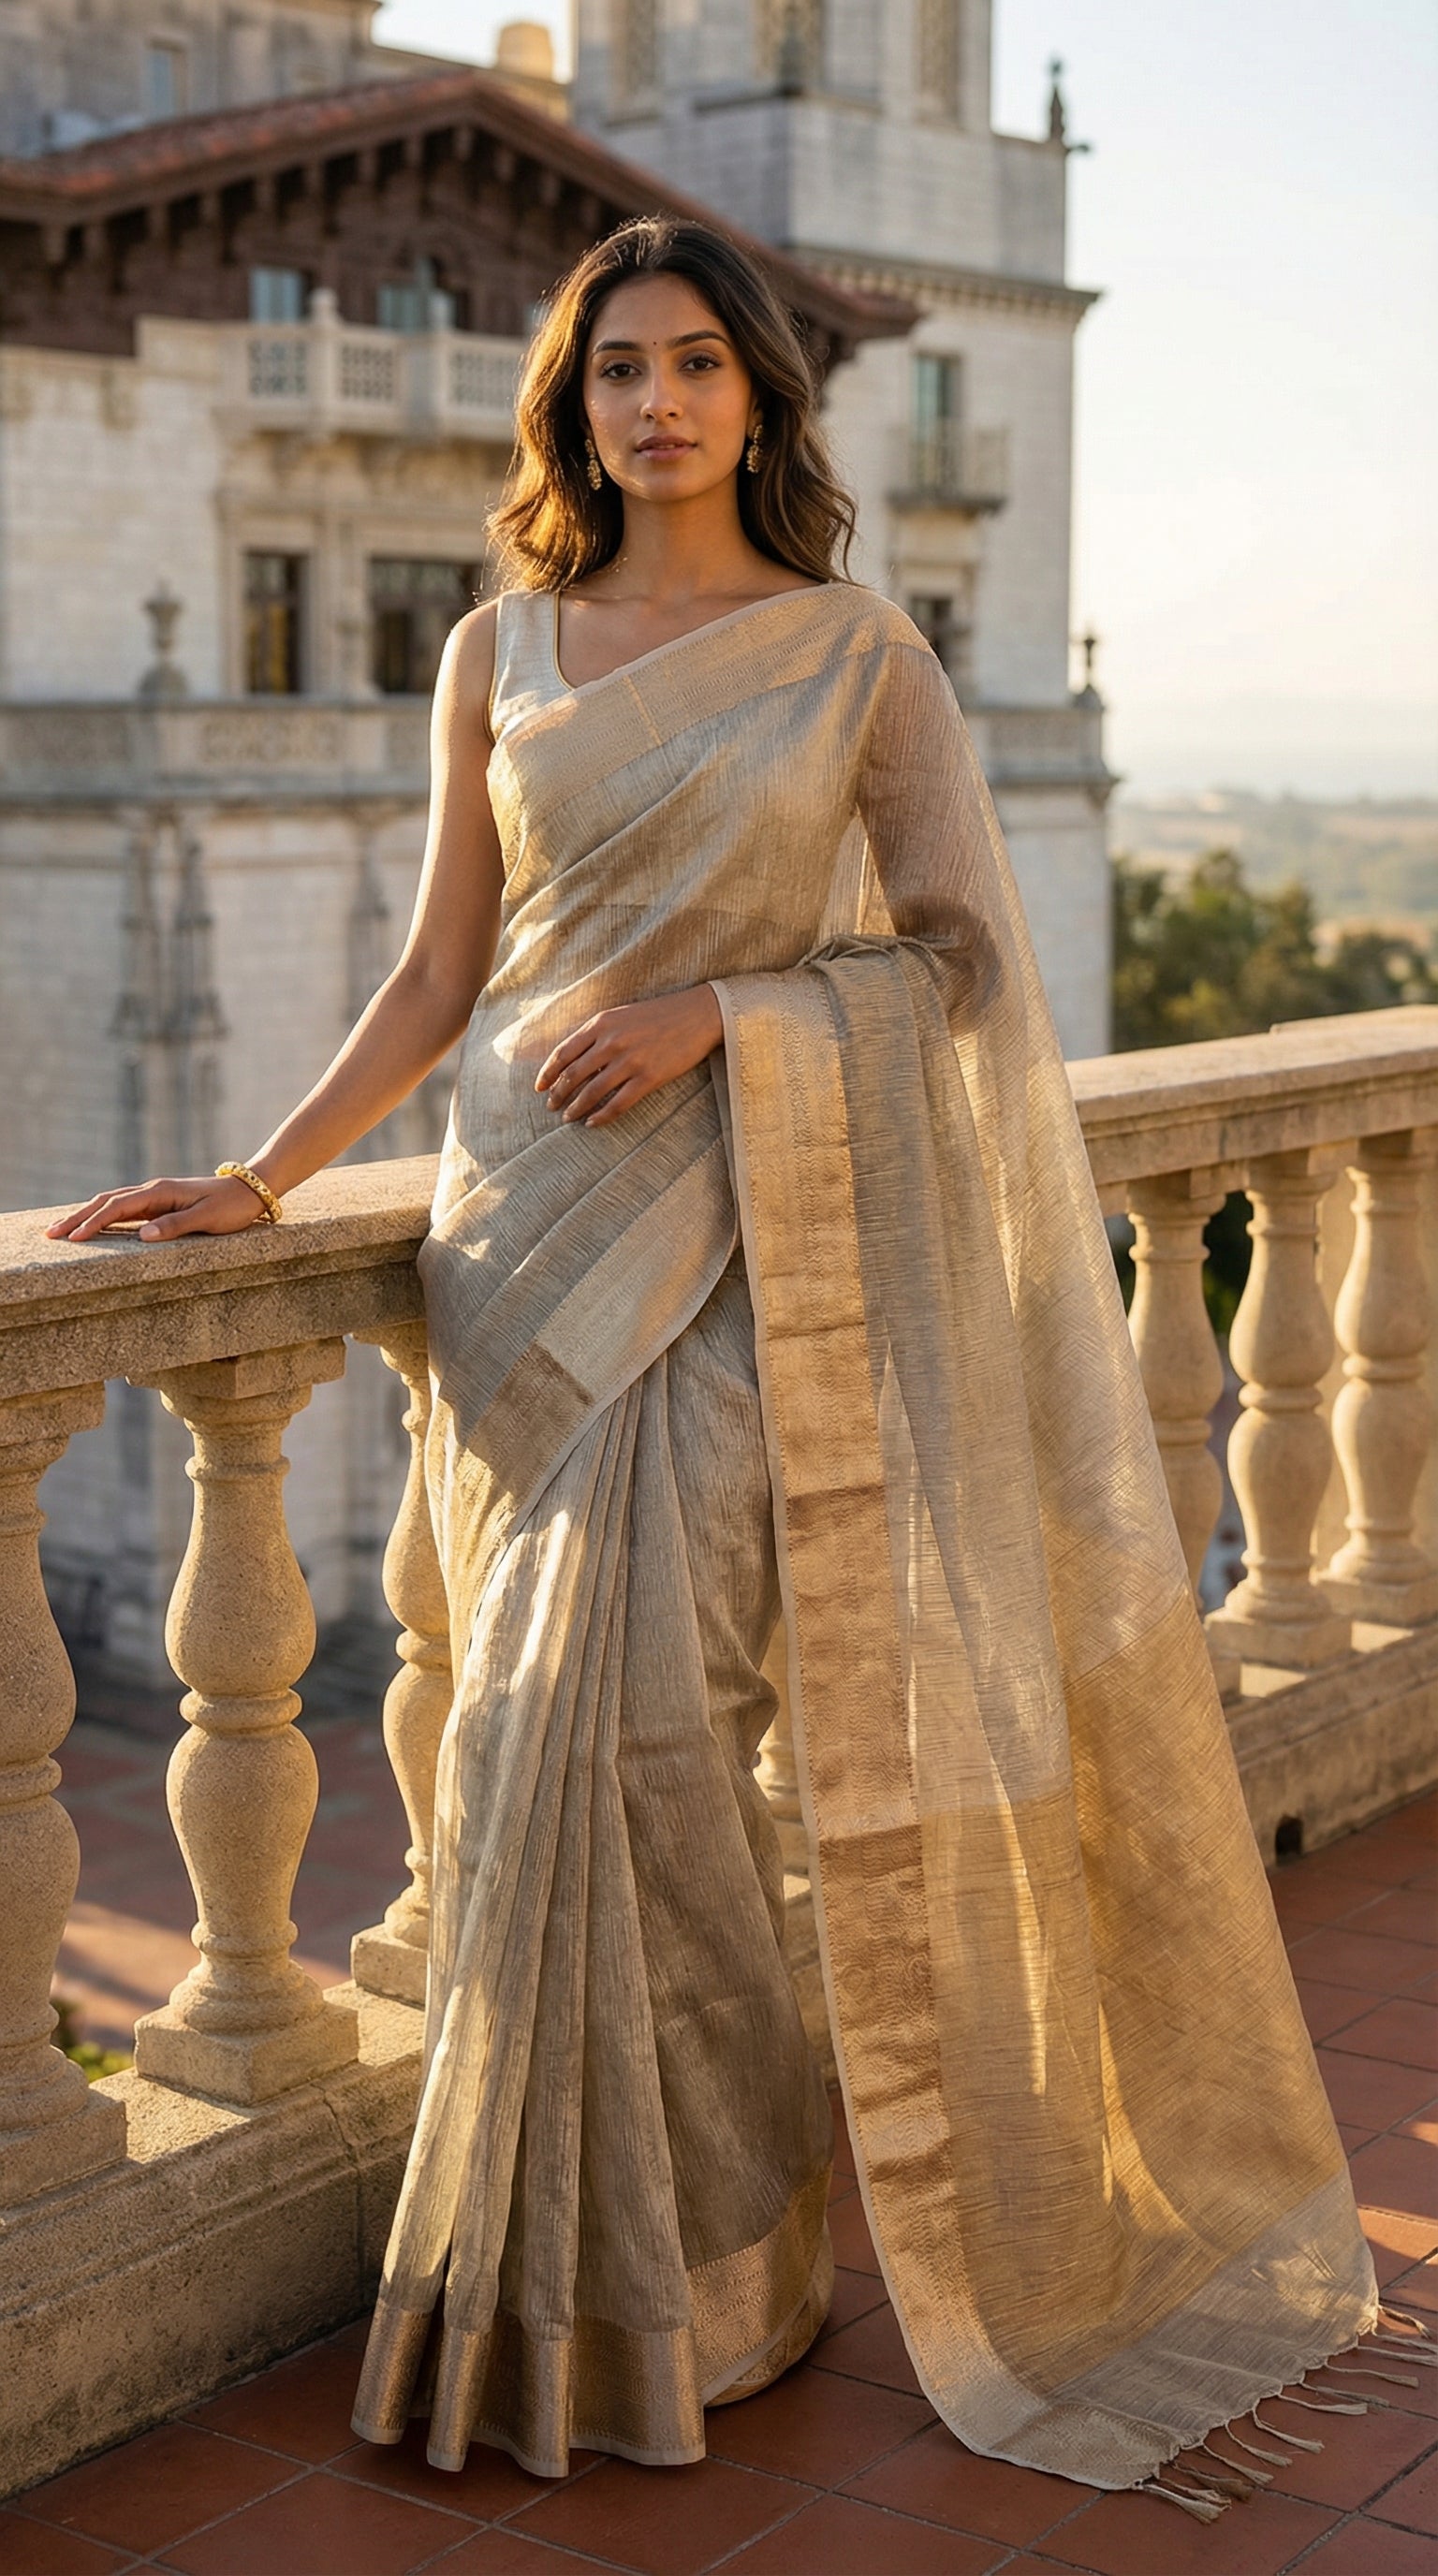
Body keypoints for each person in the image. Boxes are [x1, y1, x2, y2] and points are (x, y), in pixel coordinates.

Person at [51, 216, 1415, 2521]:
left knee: (650, 1733)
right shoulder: (500, 646)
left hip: (734, 1252)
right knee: (515, 1740)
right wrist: (261, 1180)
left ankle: (716, 2261)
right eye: (614, 375)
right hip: (516, 1249)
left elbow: (971, 974)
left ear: (764, 403)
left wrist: (736, 1014)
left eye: (695, 367)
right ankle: (567, 2277)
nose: (654, 406)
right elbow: (432, 977)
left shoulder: (862, 659)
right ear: (571, 410)